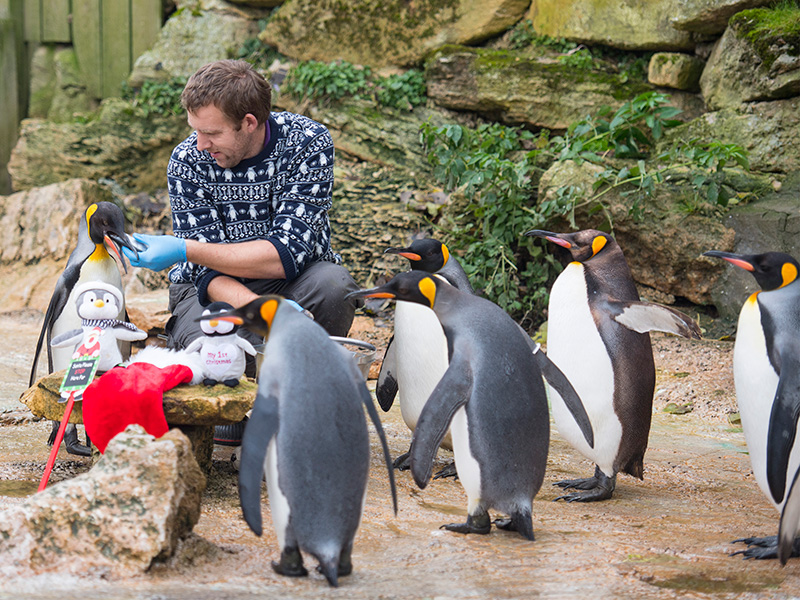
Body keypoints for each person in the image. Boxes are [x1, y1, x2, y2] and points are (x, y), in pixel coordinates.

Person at [125, 60, 360, 356]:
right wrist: (259, 310)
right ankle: (285, 351)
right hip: (213, 291)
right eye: (195, 130)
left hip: (295, 281)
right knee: (217, 354)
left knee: (334, 286)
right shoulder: (187, 161)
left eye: (211, 132)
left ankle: (300, 363)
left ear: (249, 122)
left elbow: (286, 255)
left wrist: (186, 249)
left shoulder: (307, 142)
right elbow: (205, 274)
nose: (200, 144)